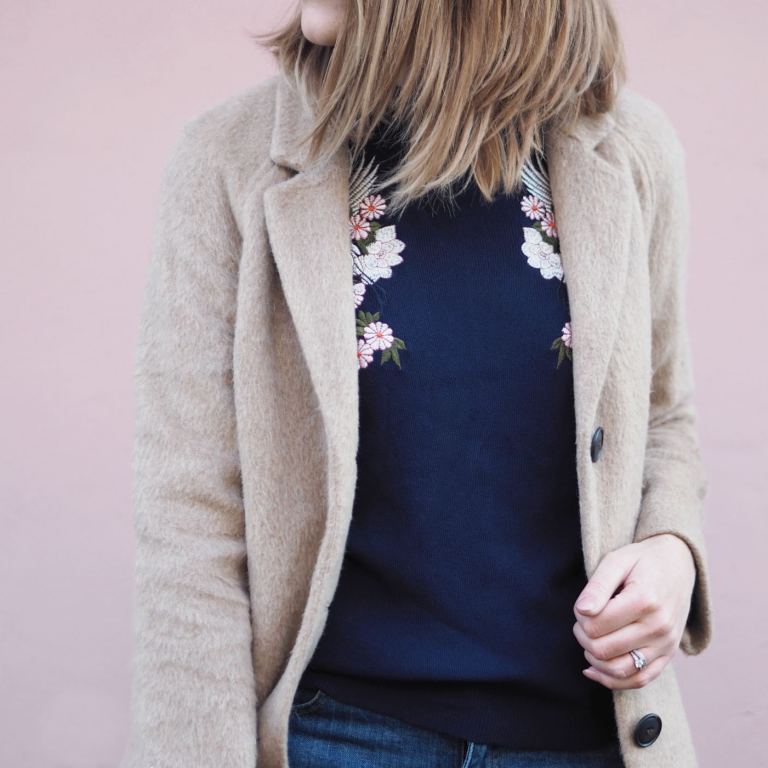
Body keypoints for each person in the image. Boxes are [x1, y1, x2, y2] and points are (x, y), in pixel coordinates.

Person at [119, 2, 714, 767]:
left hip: (583, 738)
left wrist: (670, 553)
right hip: (337, 737)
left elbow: (663, 411)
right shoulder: (227, 160)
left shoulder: (630, 150)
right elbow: (189, 515)